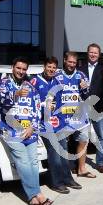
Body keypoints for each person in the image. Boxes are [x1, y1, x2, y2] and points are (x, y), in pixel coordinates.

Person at [0, 57, 53, 205]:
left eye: (23, 69)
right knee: (24, 163)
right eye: (18, 68)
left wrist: (32, 127)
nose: (21, 71)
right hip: (11, 131)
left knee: (33, 162)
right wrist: (16, 94)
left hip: (30, 131)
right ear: (12, 67)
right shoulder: (4, 83)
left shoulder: (31, 86)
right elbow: (1, 101)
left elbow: (36, 110)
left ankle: (35, 194)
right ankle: (35, 194)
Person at [31, 56, 82, 194]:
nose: (51, 69)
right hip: (44, 125)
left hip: (59, 123)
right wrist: (43, 107)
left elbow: (60, 103)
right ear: (44, 66)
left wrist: (64, 120)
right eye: (49, 66)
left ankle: (67, 179)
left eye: (54, 67)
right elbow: (30, 102)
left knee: (63, 152)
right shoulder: (35, 81)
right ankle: (56, 182)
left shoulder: (57, 81)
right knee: (54, 154)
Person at [56, 51, 96, 178]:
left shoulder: (81, 75)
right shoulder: (57, 75)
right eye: (69, 62)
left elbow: (87, 96)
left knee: (83, 140)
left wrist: (84, 89)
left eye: (74, 62)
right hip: (62, 117)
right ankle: (64, 170)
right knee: (62, 144)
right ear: (64, 61)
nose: (72, 65)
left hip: (79, 116)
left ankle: (82, 169)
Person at [78, 43, 103, 174]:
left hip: (99, 107)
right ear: (88, 53)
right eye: (91, 52)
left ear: (99, 55)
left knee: (101, 137)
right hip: (84, 108)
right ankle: (80, 164)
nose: (93, 55)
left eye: (95, 53)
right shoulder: (80, 69)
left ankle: (101, 163)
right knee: (82, 137)